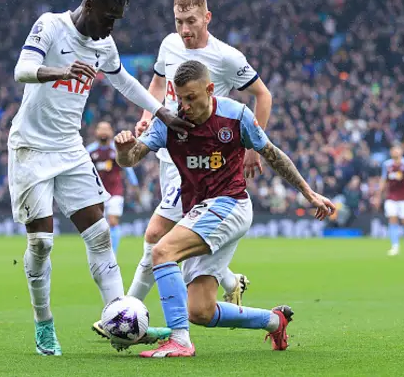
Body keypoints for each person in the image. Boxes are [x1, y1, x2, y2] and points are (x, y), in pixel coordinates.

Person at [9, 0, 192, 356]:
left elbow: (123, 79)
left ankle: (120, 319)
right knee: (41, 243)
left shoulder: (103, 45)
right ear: (89, 5)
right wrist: (60, 70)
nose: (110, 29)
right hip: (30, 148)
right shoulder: (51, 26)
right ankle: (44, 324)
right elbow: (21, 70)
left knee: (99, 234)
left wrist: (162, 112)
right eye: (108, 19)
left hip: (70, 148)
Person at [113, 60, 335, 357]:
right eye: (180, 98)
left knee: (162, 251)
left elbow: (271, 153)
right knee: (200, 311)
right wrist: (123, 150)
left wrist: (308, 193)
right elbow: (131, 159)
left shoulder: (235, 115)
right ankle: (274, 321)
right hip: (199, 210)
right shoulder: (169, 121)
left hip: (231, 204)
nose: (185, 106)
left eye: (191, 98)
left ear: (209, 89)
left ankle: (180, 340)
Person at [92, 0, 273, 338]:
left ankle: (125, 311)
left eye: (191, 21)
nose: (185, 28)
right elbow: (159, 84)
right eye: (179, 21)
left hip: (204, 161)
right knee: (174, 237)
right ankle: (231, 280)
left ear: (207, 18)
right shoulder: (169, 44)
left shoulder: (226, 57)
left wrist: (253, 145)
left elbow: (262, 94)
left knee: (157, 234)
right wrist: (148, 115)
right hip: (169, 155)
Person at [86, 121, 141, 254]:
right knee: (99, 226)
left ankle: (113, 254)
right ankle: (100, 252)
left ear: (111, 132)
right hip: (96, 193)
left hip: (115, 192)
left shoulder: (116, 150)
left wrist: (135, 186)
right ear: (96, 132)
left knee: (113, 221)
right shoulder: (89, 151)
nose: (104, 132)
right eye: (101, 129)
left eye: (107, 129)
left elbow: (128, 169)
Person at [375, 143, 404, 256]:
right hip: (391, 197)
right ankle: (395, 246)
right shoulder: (387, 165)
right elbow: (383, 181)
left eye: (397, 149)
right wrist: (378, 196)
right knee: (392, 219)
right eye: (393, 150)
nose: (395, 152)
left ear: (401, 151)